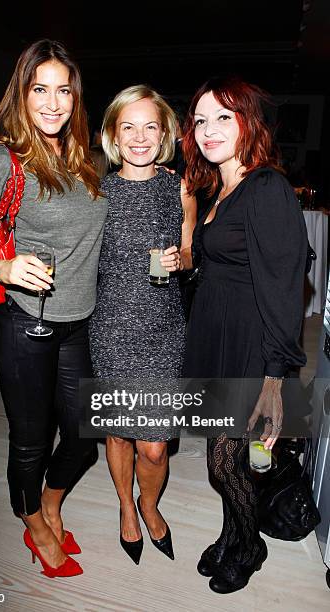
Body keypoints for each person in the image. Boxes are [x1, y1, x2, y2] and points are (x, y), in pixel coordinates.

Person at [0, 39, 107, 578]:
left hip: (78, 321)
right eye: (40, 89)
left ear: (75, 98)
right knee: (31, 438)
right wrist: (4, 268)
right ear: (22, 94)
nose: (53, 102)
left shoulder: (85, 161)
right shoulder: (4, 163)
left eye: (64, 90)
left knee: (84, 434)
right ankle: (33, 521)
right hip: (25, 323)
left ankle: (52, 501)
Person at [182, 76, 307, 593]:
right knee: (222, 449)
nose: (209, 130)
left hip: (250, 345)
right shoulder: (222, 186)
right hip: (216, 335)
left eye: (223, 118)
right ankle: (232, 533)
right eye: (201, 120)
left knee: (225, 460)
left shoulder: (266, 186)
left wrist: (275, 378)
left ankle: (249, 543)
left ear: (249, 123)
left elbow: (282, 287)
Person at [89, 85, 197, 564]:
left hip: (164, 326)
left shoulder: (181, 186)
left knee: (153, 447)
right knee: (119, 433)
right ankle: (125, 511)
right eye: (127, 126)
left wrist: (181, 260)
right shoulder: (95, 191)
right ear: (112, 133)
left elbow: (193, 249)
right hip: (111, 324)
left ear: (165, 133)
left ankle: (148, 504)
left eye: (150, 125)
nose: (139, 136)